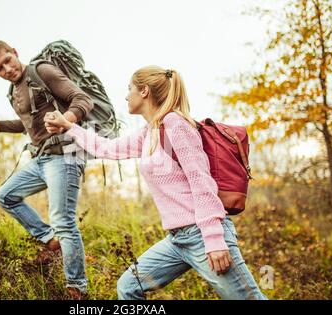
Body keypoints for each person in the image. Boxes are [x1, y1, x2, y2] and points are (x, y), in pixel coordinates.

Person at [44, 65, 268, 300]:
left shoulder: (175, 124)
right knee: (128, 287)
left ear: (144, 91)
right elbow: (107, 148)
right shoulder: (150, 132)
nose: (125, 95)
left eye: (129, 88)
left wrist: (213, 240)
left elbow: (201, 181)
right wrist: (69, 126)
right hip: (177, 240)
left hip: (202, 236)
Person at [0, 40, 93, 299]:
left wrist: (67, 119)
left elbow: (82, 99)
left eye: (8, 60)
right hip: (41, 159)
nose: (7, 69)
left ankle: (78, 291)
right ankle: (50, 240)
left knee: (63, 221)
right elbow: (27, 125)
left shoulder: (42, 71)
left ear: (15, 53)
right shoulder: (13, 92)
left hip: (65, 155)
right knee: (5, 196)